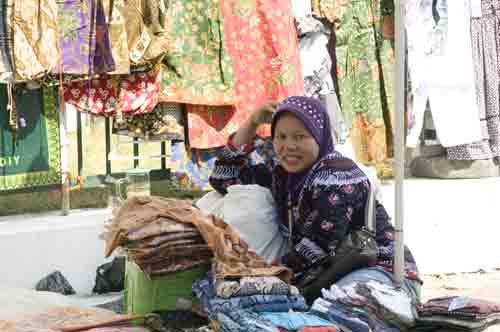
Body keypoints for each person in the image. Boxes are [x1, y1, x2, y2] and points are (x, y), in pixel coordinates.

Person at [209, 96, 421, 304]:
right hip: (327, 273)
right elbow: (223, 178)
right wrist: (252, 122)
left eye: (300, 137)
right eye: (281, 137)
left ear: (320, 136)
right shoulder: (282, 173)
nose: (289, 146)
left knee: (343, 311)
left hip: (380, 271)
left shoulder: (337, 176)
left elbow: (316, 248)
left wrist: (257, 271)